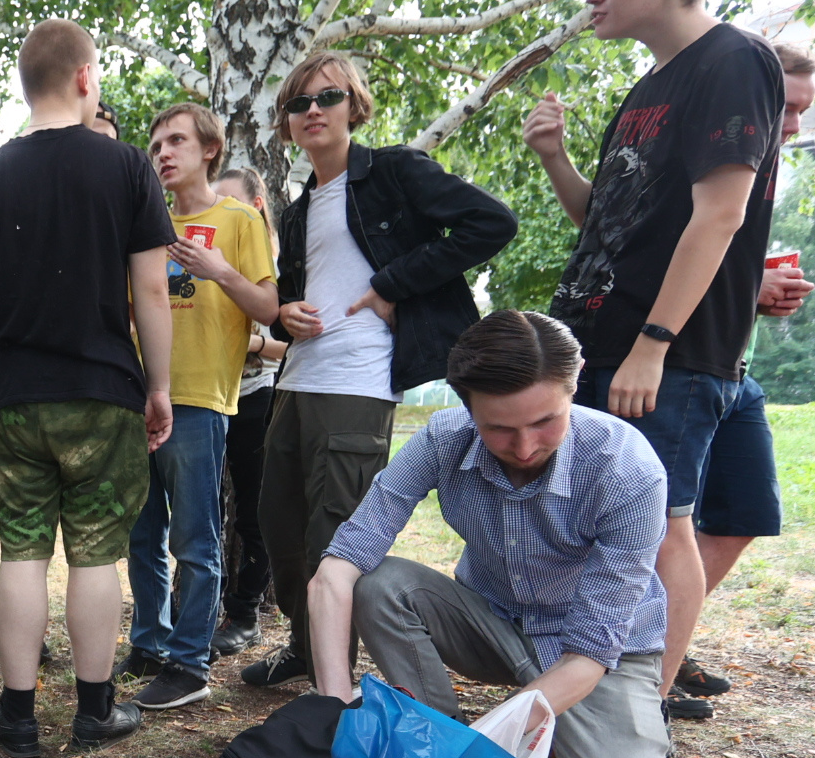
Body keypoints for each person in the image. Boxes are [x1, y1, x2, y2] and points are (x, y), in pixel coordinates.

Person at [523, 0, 786, 726]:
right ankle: (592, 690)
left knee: (663, 526)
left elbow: (721, 217)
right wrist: (555, 158)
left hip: (666, 352)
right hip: (596, 339)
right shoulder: (649, 87)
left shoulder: (733, 61)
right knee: (605, 524)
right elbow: (605, 222)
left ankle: (641, 714)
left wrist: (655, 345)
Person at [309, 312, 672, 758]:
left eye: (545, 422)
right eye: (499, 428)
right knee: (378, 584)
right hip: (495, 624)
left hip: (600, 659)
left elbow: (590, 654)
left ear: (573, 388)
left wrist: (476, 752)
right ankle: (438, 747)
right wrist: (330, 704)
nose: (524, 446)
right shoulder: (443, 439)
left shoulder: (627, 470)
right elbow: (336, 571)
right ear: (468, 408)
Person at [0, 19, 176, 757]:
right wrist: (159, 386)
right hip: (102, 391)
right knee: (97, 553)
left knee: (23, 553)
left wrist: (18, 287)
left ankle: (16, 713)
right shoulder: (127, 168)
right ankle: (95, 710)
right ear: (82, 77)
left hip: (12, 392)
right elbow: (152, 292)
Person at [243, 52, 518, 689]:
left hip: (360, 382)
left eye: (328, 97)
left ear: (354, 106)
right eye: (298, 103)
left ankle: (330, 683)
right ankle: (307, 646)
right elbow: (292, 297)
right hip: (298, 379)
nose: (313, 111)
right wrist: (285, 313)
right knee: (278, 527)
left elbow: (490, 223)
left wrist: (394, 282)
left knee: (332, 534)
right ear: (287, 122)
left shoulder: (394, 172)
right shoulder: (297, 207)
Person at [674, 38, 815, 710]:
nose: (791, 126)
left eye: (802, 114)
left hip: (738, 368)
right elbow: (663, 265)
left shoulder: (768, 171)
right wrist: (748, 289)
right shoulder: (706, 157)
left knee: (743, 513)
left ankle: (664, 643)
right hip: (683, 362)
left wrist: (763, 289)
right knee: (662, 528)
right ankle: (642, 663)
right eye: (786, 109)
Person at [119, 103, 276, 707]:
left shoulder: (238, 219)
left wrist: (217, 270)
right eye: (156, 143)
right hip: (138, 396)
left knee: (195, 538)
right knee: (142, 534)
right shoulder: (144, 220)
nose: (163, 152)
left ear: (210, 149)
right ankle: (150, 643)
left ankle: (190, 665)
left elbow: (268, 308)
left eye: (177, 140)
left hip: (201, 398)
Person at [211, 166, 287, 659]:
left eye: (232, 202)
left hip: (256, 396)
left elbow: (294, 341)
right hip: (202, 395)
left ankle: (244, 613)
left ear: (257, 206)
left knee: (254, 512)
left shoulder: (280, 265)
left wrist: (251, 342)